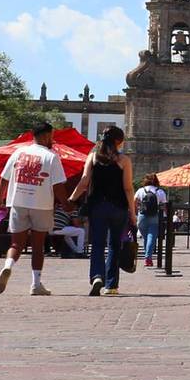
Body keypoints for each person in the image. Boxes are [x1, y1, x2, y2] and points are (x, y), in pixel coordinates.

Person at [0, 122, 67, 295]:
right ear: (46, 136)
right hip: (41, 205)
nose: (52, 139)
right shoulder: (51, 157)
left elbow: (4, 178)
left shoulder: (18, 152)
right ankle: (36, 284)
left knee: (16, 244)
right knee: (38, 246)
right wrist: (67, 204)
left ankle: (8, 266)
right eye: (52, 136)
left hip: (18, 202)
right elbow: (58, 186)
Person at [69, 126, 136, 296]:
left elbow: (84, 181)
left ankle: (97, 276)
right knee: (114, 245)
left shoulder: (93, 157)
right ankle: (111, 286)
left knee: (97, 244)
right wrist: (133, 212)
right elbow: (128, 188)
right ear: (119, 141)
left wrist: (72, 198)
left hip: (97, 206)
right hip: (118, 206)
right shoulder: (124, 160)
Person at [133, 173, 167, 266]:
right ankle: (148, 258)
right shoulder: (160, 191)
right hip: (155, 216)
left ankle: (147, 257)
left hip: (142, 216)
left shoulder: (141, 190)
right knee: (151, 237)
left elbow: (134, 201)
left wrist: (136, 211)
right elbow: (164, 205)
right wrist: (167, 215)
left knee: (146, 238)